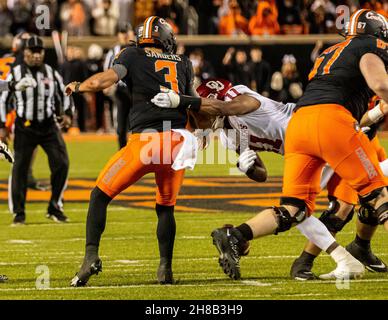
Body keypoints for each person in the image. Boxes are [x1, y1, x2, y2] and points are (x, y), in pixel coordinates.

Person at [152, 76, 388, 280]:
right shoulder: (226, 136)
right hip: (306, 150)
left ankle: (336, 258)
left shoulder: (241, 97)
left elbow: (234, 107)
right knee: (312, 207)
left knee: (335, 202)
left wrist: (186, 101)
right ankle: (331, 259)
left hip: (311, 132)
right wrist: (249, 168)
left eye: (201, 112)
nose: (199, 120)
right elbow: (261, 174)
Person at [65, 16, 197, 286]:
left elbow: (105, 81)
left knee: (99, 195)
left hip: (146, 143)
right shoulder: (183, 62)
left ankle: (90, 257)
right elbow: (197, 104)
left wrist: (78, 86)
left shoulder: (132, 54)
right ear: (166, 38)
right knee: (165, 208)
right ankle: (165, 270)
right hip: (177, 144)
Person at [0, 36, 73, 225]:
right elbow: (3, 99)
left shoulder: (51, 72)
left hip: (48, 125)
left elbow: (64, 94)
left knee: (62, 163)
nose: (35, 55)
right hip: (25, 126)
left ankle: (55, 207)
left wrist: (66, 114)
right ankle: (19, 212)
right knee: (20, 169)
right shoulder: (16, 73)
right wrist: (1, 126)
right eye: (32, 51)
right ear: (24, 52)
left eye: (39, 51)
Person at [103, 22, 135, 148]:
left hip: (137, 90)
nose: (125, 35)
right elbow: (107, 69)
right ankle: (122, 151)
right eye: (123, 32)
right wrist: (107, 83)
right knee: (121, 125)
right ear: (118, 35)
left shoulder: (139, 49)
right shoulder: (114, 51)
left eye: (127, 31)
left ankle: (138, 152)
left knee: (138, 123)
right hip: (121, 90)